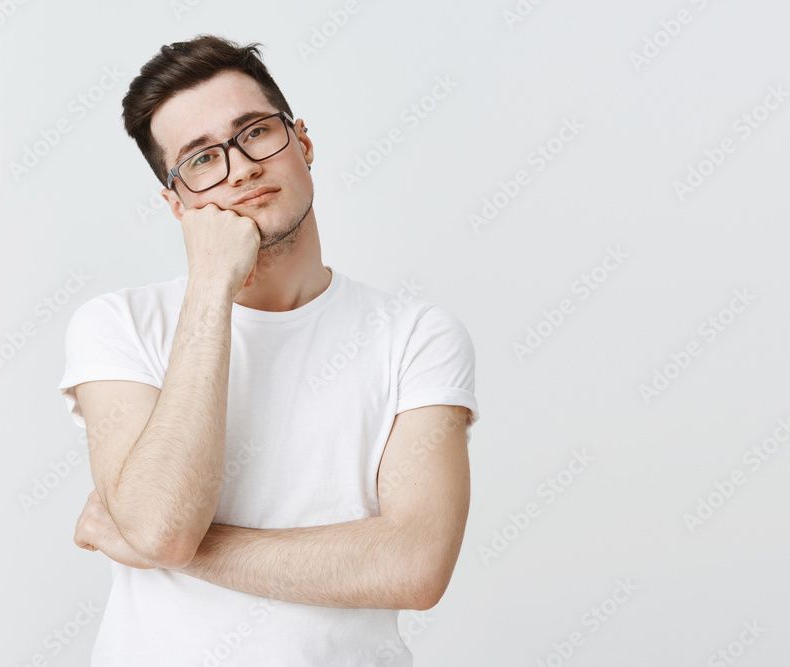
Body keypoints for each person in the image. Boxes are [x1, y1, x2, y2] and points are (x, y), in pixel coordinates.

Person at [57, 34, 479, 666]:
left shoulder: (417, 336)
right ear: (177, 204)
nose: (241, 168)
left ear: (301, 143)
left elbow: (415, 567)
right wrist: (211, 284)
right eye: (202, 159)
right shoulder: (118, 325)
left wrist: (170, 547)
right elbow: (164, 525)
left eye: (254, 132)